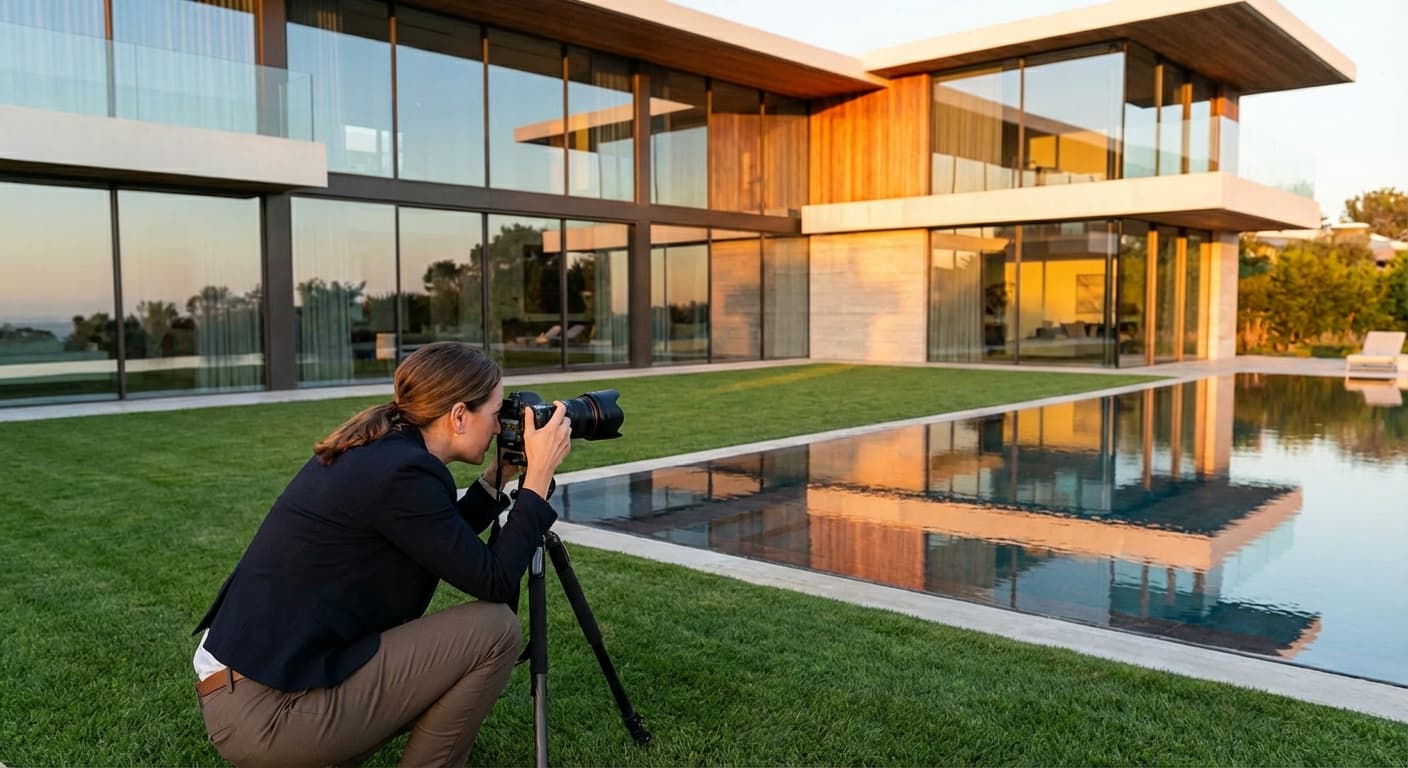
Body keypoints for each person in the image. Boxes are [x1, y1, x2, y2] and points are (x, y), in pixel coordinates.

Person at [191, 342, 571, 767]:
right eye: (496, 413)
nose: (502, 427)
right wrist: (537, 482)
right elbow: (495, 580)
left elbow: (442, 540)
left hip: (253, 688)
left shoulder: (383, 450)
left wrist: (497, 478)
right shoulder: (402, 472)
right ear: (459, 415)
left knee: (483, 629)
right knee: (494, 629)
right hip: (268, 715)